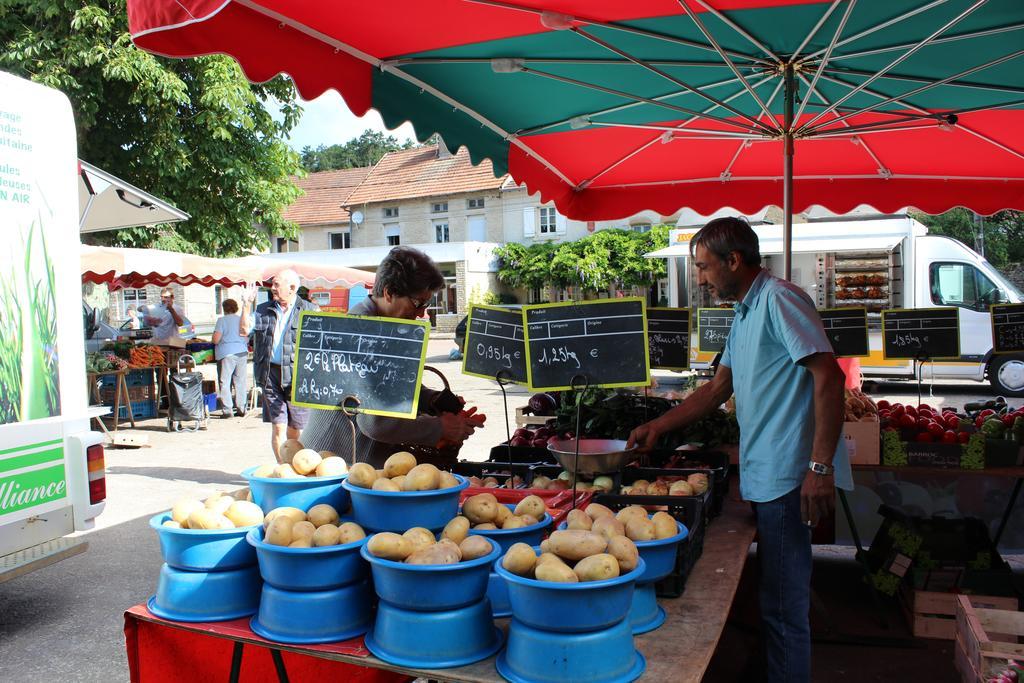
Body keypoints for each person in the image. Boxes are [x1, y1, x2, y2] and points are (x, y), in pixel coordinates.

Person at [626, 217, 852, 683]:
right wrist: (658, 425)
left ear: (734, 260)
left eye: (706, 268)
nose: (702, 280)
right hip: (767, 473)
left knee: (783, 605)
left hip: (791, 475)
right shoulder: (746, 312)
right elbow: (717, 389)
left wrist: (819, 467)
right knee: (773, 597)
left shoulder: (780, 299)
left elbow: (829, 377)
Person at [301, 246, 479, 467]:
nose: (422, 312)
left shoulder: (381, 325)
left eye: (427, 303)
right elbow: (375, 423)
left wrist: (431, 399)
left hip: (345, 460)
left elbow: (387, 385)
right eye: (418, 303)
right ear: (389, 292)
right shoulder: (364, 331)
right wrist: (440, 427)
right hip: (334, 465)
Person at [241, 270, 318, 462]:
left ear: (292, 288)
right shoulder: (262, 309)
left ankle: (297, 466)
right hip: (269, 375)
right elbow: (243, 330)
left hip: (297, 377)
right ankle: (282, 467)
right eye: (272, 284)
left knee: (297, 428)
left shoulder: (310, 310)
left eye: (276, 284)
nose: (272, 288)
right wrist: (246, 305)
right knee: (278, 426)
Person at [212, 298, 250, 419]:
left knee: (225, 381)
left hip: (226, 353)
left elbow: (216, 339)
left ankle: (227, 410)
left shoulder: (222, 321)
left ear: (224, 309)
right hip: (242, 352)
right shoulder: (241, 319)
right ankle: (241, 407)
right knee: (240, 381)